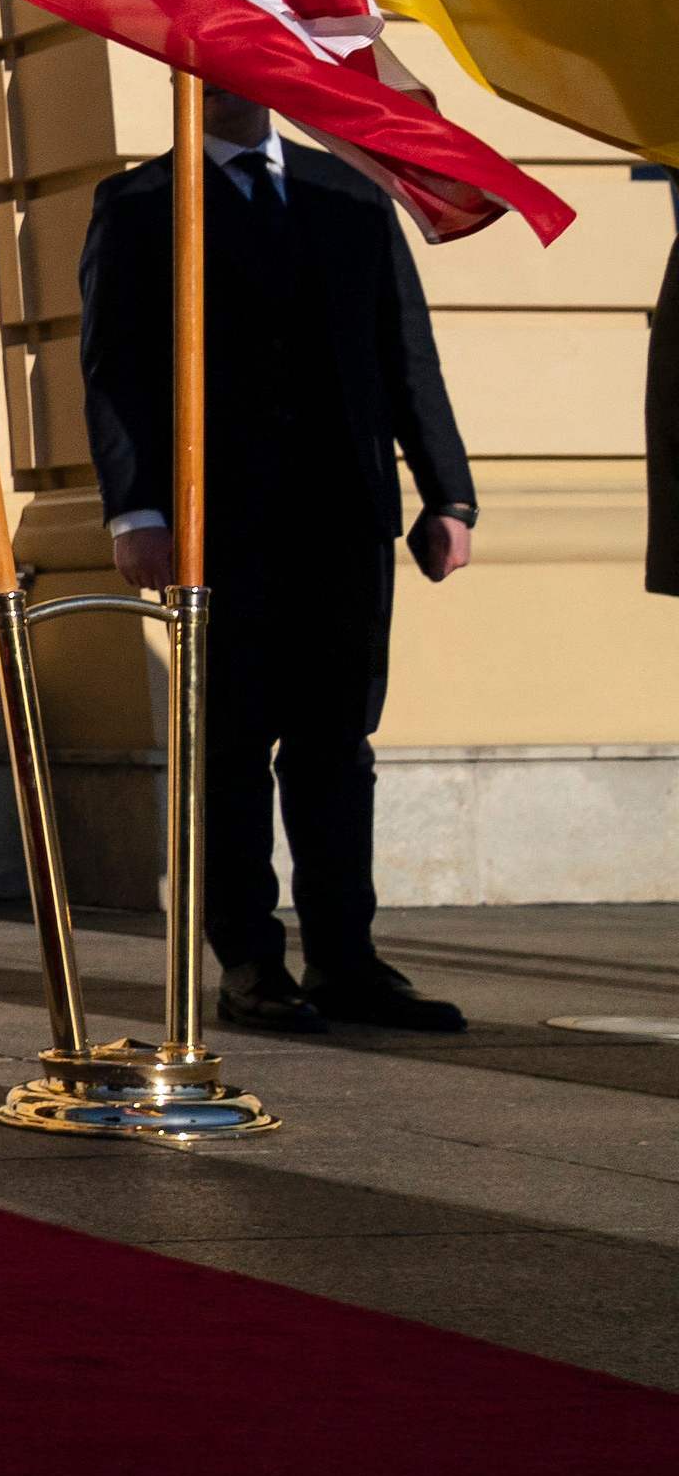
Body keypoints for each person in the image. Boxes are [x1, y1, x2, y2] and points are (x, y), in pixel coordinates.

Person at [80, 93, 478, 1037]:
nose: (239, 87)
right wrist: (137, 511)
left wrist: (448, 494)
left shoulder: (348, 191)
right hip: (216, 527)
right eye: (217, 68)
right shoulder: (142, 201)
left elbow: (404, 351)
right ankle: (252, 964)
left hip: (345, 519)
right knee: (230, 745)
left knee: (337, 746)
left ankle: (349, 961)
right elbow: (116, 365)